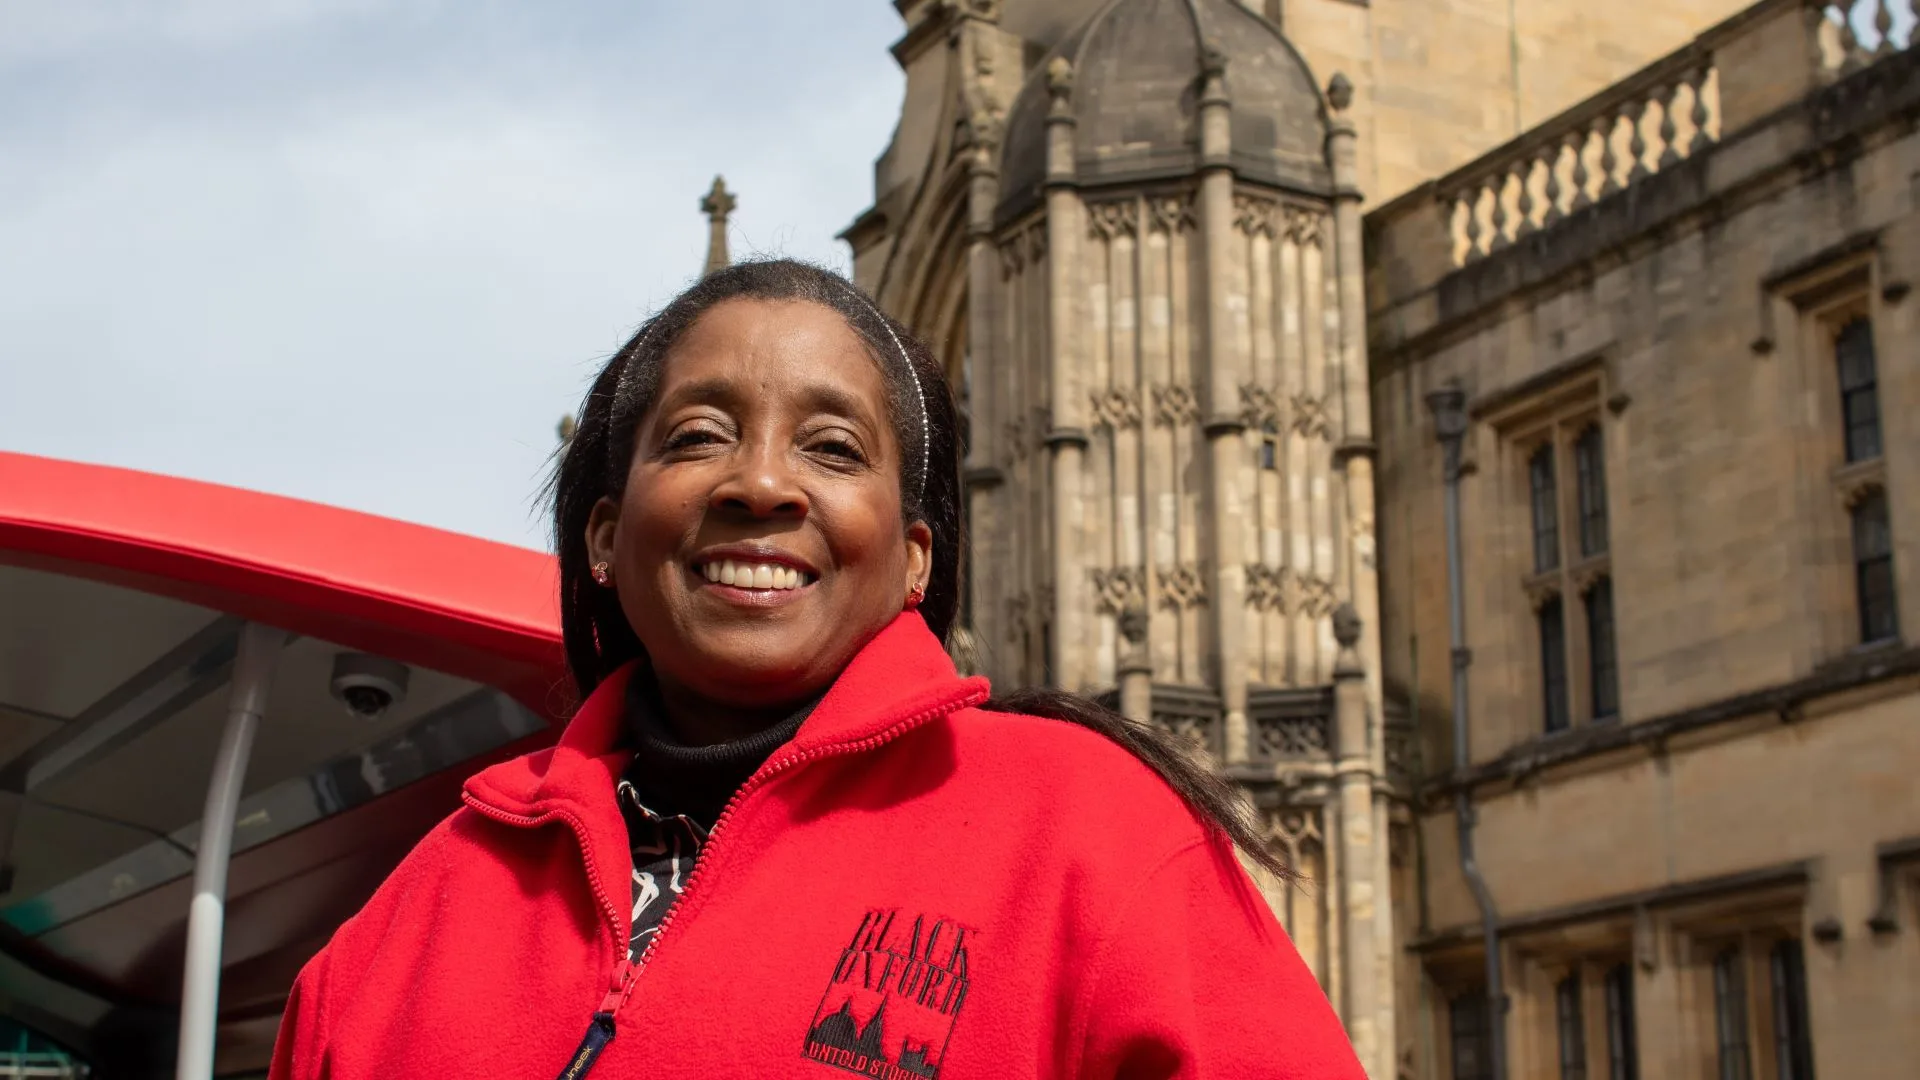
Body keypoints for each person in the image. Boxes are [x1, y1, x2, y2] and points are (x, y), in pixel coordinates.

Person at [268, 259, 1366, 1079]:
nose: (761, 484)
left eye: (833, 449)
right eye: (698, 435)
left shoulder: (1090, 831)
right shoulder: (424, 903)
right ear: (605, 535)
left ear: (913, 558)